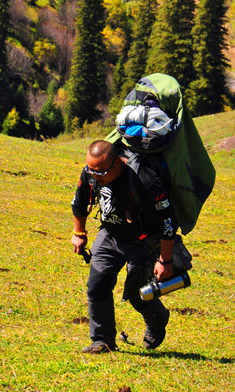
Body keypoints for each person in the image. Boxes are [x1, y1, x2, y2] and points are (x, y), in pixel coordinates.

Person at [71, 140, 179, 353]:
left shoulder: (144, 178)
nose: (95, 175)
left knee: (139, 295)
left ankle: (158, 321)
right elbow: (80, 202)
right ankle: (103, 340)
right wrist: (79, 233)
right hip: (110, 234)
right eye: (91, 169)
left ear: (118, 163)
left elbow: (168, 222)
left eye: (100, 171)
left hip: (143, 241)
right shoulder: (91, 173)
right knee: (97, 286)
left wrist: (164, 260)